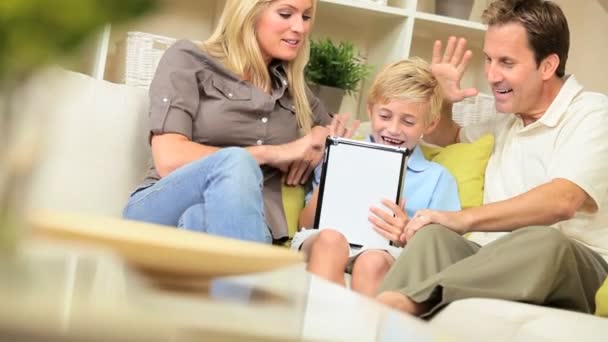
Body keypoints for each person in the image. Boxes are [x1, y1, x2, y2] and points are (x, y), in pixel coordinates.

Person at [376, 0, 608, 317]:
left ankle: (419, 300)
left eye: (506, 63)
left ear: (547, 66)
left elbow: (562, 200)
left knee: (545, 241)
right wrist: (441, 101)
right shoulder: (506, 118)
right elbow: (445, 137)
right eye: (488, 59)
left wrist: (462, 218)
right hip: (487, 255)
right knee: (434, 237)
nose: (491, 75)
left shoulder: (593, 113)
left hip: (571, 264)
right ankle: (381, 315)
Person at [123, 0, 332, 244]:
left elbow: (335, 132)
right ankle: (250, 275)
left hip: (251, 222)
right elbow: (168, 159)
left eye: (306, 17)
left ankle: (226, 276)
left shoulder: (293, 89)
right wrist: (271, 153)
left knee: (199, 219)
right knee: (236, 161)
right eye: (286, 14)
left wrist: (319, 135)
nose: (300, 27)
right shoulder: (189, 59)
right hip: (160, 205)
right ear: (249, 12)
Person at [291, 59, 461, 297]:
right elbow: (306, 223)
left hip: (387, 251)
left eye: (408, 121)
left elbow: (441, 249)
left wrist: (407, 234)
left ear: (430, 124)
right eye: (385, 116)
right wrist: (336, 167)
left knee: (372, 262)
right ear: (370, 110)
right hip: (325, 238)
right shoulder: (340, 155)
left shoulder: (437, 179)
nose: (393, 129)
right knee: (330, 240)